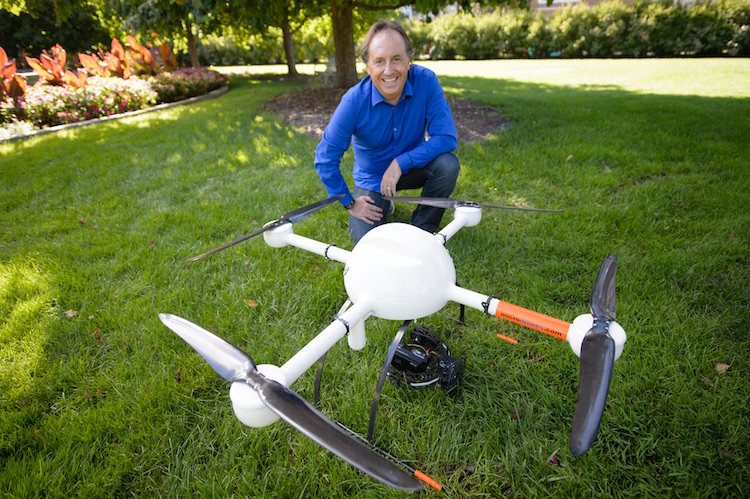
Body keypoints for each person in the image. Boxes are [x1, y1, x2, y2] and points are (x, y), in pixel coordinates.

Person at [314, 20, 460, 243]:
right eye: (379, 61)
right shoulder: (353, 102)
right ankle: (382, 202)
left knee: (448, 165)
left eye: (397, 59)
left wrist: (401, 162)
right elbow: (325, 159)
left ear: (409, 61)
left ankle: (422, 228)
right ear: (368, 67)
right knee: (367, 244)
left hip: (412, 167)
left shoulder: (426, 81)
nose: (389, 70)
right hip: (372, 178)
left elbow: (447, 138)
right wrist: (350, 203)